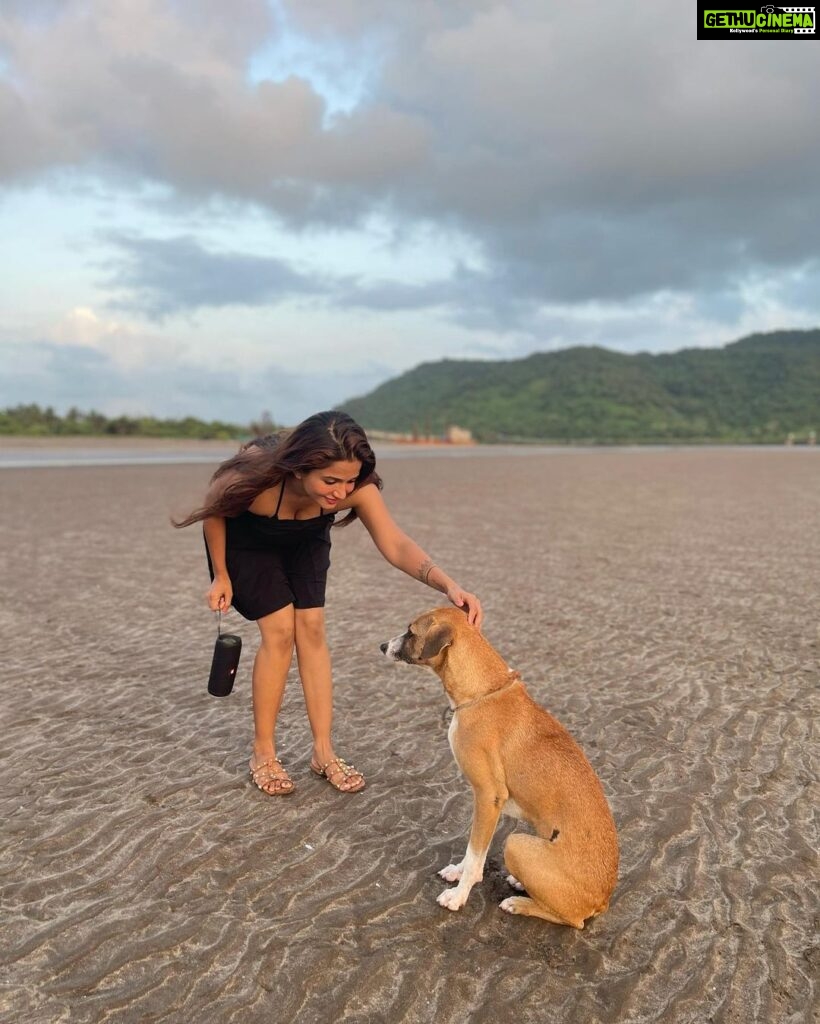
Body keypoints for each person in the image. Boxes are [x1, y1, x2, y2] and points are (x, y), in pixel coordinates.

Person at [175, 411, 482, 797]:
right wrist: (220, 574)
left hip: (306, 538)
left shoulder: (356, 488)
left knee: (313, 629)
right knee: (280, 630)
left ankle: (323, 751)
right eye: (330, 481)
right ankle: (263, 753)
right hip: (249, 541)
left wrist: (449, 586)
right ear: (300, 468)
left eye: (349, 480)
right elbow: (215, 511)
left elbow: (396, 544)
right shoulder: (254, 479)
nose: (341, 492)